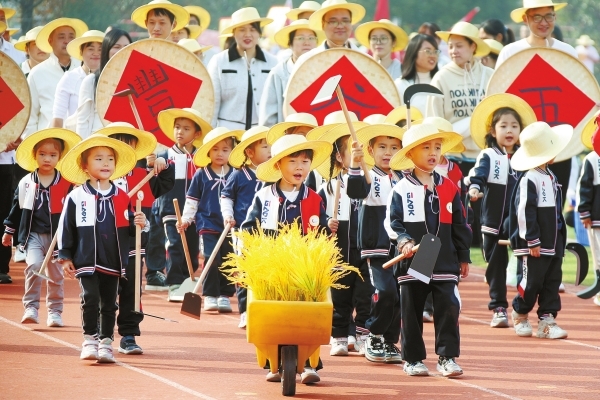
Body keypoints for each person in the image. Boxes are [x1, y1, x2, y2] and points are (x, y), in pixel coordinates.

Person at [241, 134, 332, 384]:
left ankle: (311, 362)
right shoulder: (264, 197)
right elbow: (249, 229)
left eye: (305, 161)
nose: (299, 167)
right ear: (278, 164)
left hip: (307, 271)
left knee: (309, 316)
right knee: (275, 317)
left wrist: (326, 238)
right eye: (293, 161)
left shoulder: (314, 198)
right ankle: (273, 361)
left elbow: (322, 233)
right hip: (272, 271)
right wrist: (246, 258)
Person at [386, 123, 470, 377]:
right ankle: (412, 359)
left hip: (444, 258)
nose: (433, 152)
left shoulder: (449, 187)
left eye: (437, 147)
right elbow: (392, 222)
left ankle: (447, 357)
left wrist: (463, 255)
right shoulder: (401, 188)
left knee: (448, 307)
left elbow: (460, 224)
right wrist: (404, 242)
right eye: (426, 147)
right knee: (411, 310)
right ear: (410, 153)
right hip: (415, 258)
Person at [57, 134, 145, 363]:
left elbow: (130, 229)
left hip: (114, 260)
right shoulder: (76, 197)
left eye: (109, 159)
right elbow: (66, 227)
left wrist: (140, 224)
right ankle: (89, 340)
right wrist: (65, 255)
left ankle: (106, 343)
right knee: (90, 298)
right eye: (98, 159)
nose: (105, 164)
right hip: (86, 259)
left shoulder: (123, 196)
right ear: (84, 166)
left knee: (110, 304)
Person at [96, 122, 174, 354]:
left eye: (128, 144)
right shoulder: (99, 178)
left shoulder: (145, 175)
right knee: (106, 291)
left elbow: (167, 183)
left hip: (134, 244)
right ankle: (103, 335)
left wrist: (162, 163)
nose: (123, 149)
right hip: (105, 244)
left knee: (131, 291)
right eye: (117, 144)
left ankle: (128, 335)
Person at [313, 118, 383, 356]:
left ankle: (363, 334)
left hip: (366, 248)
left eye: (361, 153)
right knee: (340, 294)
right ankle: (340, 336)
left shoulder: (372, 183)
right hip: (339, 249)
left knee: (366, 295)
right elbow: (317, 216)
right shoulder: (329, 188)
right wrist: (326, 223)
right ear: (340, 158)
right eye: (351, 153)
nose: (357, 157)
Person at [467, 94, 537, 328]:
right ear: (492, 130)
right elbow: (477, 176)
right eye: (504, 125)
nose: (509, 130)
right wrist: (475, 189)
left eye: (515, 126)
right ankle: (498, 307)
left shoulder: (526, 158)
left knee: (522, 263)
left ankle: (520, 308)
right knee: (495, 266)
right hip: (492, 221)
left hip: (518, 222)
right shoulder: (489, 155)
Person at [2, 128, 79, 324]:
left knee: (55, 274)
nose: (47, 159)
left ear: (60, 157)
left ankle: (55, 311)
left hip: (57, 238)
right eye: (42, 154)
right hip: (33, 235)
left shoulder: (67, 183)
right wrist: (8, 232)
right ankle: (31, 308)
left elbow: (73, 211)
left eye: (53, 155)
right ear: (34, 155)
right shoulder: (26, 182)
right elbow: (16, 209)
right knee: (34, 266)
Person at [346, 117, 404, 364]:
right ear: (370, 150)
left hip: (405, 248)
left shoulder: (405, 179)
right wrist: (355, 164)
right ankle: (374, 334)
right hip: (377, 247)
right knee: (386, 291)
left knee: (403, 295)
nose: (388, 152)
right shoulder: (370, 177)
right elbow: (355, 191)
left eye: (394, 147)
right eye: (382, 147)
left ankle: (390, 340)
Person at [508, 121, 571, 340]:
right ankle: (520, 312)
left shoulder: (551, 176)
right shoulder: (530, 178)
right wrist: (531, 239)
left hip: (554, 243)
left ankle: (547, 320)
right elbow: (524, 211)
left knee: (552, 281)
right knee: (532, 281)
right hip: (534, 244)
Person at [178, 127, 241, 310]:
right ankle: (210, 294)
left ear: (232, 152)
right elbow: (192, 200)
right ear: (208, 151)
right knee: (212, 258)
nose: (220, 154)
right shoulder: (201, 174)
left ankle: (225, 295)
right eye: (215, 149)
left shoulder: (235, 174)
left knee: (229, 259)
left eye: (225, 150)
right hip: (208, 223)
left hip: (230, 225)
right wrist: (186, 219)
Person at [154, 108, 211, 298]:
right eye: (177, 127)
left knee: (193, 248)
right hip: (172, 209)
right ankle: (175, 284)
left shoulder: (202, 159)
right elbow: (154, 180)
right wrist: (152, 164)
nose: (180, 131)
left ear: (197, 133)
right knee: (176, 245)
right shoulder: (164, 156)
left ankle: (188, 281)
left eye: (186, 128)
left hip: (196, 211)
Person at [221, 126, 271, 327]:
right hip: (243, 230)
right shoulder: (239, 175)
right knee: (243, 271)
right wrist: (228, 215)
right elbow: (226, 196)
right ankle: (245, 311)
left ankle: (263, 307)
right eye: (265, 147)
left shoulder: (272, 174)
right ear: (250, 153)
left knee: (265, 270)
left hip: (267, 232)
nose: (270, 151)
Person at [208, 7, 278, 130]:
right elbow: (212, 103)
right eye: (242, 30)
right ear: (233, 32)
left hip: (260, 135)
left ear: (259, 33)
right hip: (227, 134)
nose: (248, 34)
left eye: (253, 29)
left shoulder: (273, 63)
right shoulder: (219, 61)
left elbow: (276, 104)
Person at [24, 18, 88, 138]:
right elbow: (30, 118)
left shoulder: (85, 70)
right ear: (50, 41)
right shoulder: (37, 73)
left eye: (71, 37)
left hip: (80, 140)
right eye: (61, 37)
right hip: (48, 143)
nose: (66, 41)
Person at [258, 19, 323, 127]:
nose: (307, 42)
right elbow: (268, 117)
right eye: (301, 38)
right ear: (290, 43)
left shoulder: (324, 69)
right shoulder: (278, 74)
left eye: (311, 38)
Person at [76, 29, 131, 139]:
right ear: (106, 50)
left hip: (128, 143)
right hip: (99, 143)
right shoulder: (91, 81)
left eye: (126, 46)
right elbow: (83, 122)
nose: (122, 50)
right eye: (116, 47)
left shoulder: (136, 80)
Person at [497, 0, 577, 68]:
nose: (543, 23)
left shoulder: (568, 52)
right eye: (537, 17)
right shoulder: (510, 53)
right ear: (525, 19)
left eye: (548, 16)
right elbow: (498, 85)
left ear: (555, 16)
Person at [51, 30, 103, 130]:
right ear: (81, 52)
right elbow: (58, 117)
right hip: (76, 138)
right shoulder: (70, 78)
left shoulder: (108, 78)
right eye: (91, 49)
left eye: (100, 50)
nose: (96, 53)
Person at [576, 113, 600, 307]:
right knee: (598, 254)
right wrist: (584, 211)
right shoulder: (591, 159)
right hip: (597, 217)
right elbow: (584, 186)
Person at [298, 0, 365, 64]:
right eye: (333, 21)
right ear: (323, 25)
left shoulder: (365, 61)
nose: (340, 26)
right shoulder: (307, 61)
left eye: (345, 21)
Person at [394, 34, 439, 112]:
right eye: (428, 51)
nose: (433, 55)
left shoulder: (440, 83)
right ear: (414, 53)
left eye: (435, 51)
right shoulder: (400, 85)